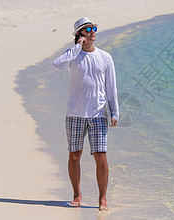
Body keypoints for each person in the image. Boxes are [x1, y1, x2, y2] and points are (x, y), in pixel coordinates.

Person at [53, 17, 119, 211]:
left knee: (101, 156)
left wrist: (115, 112)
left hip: (98, 114)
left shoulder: (106, 57)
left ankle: (103, 199)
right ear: (79, 34)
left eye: (94, 28)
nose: (92, 32)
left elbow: (111, 88)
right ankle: (77, 194)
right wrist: (76, 48)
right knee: (74, 155)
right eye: (88, 29)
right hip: (74, 113)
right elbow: (57, 65)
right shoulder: (73, 56)